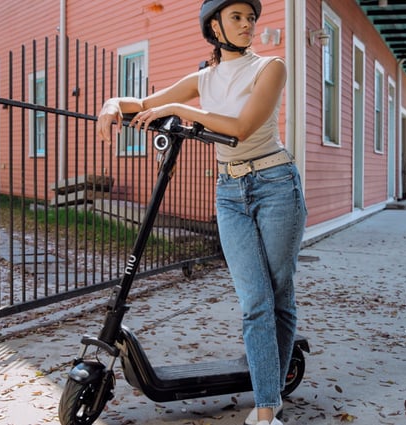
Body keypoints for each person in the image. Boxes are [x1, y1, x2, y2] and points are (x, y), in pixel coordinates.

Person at [96, 1, 307, 424]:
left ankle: (268, 406)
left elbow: (242, 127)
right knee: (255, 300)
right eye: (237, 17)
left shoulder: (271, 67)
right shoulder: (204, 78)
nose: (248, 25)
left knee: (279, 294)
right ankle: (269, 401)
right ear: (215, 25)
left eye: (251, 17)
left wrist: (183, 110)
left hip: (276, 185)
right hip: (230, 191)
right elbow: (142, 102)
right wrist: (111, 105)